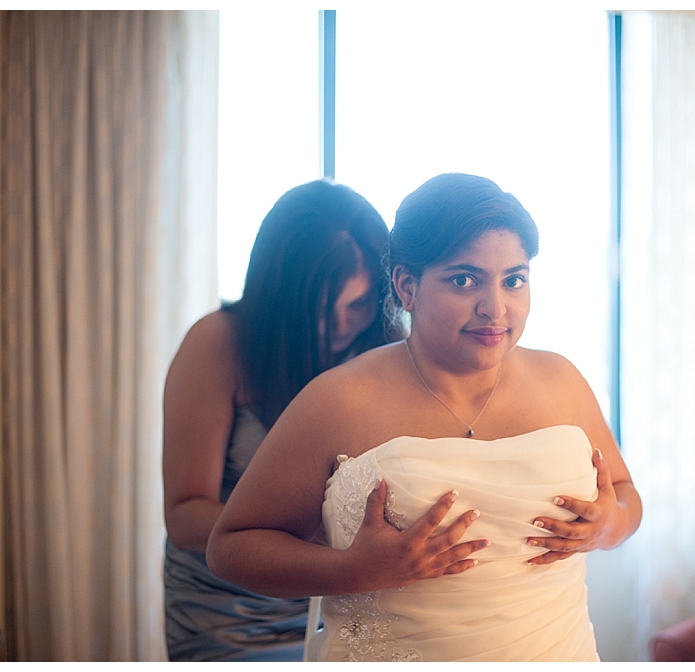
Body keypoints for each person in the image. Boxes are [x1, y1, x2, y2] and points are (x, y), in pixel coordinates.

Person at [206, 172, 643, 662]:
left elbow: (626, 498)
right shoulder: (339, 400)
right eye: (464, 279)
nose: (495, 307)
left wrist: (609, 526)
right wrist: (354, 569)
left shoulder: (562, 380)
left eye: (513, 280)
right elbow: (231, 548)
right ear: (407, 287)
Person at [162, 179, 402, 661]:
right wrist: (315, 544)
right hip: (234, 610)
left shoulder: (385, 353)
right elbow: (185, 515)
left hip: (353, 596)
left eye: (357, 304)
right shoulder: (219, 344)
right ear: (278, 293)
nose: (339, 324)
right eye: (320, 304)